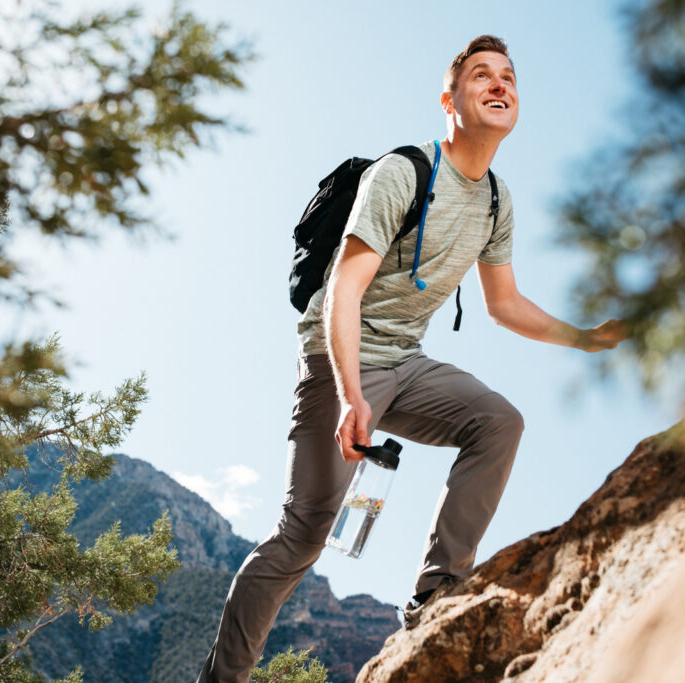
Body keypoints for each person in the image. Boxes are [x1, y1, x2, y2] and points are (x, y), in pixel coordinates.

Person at [197, 34, 626, 683]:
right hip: (337, 357)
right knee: (304, 534)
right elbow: (344, 287)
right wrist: (350, 393)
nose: (499, 84)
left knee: (498, 421)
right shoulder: (402, 173)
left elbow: (504, 303)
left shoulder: (495, 201)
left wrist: (587, 338)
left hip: (406, 361)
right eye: (481, 74)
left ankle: (436, 591)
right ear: (449, 98)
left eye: (508, 76)